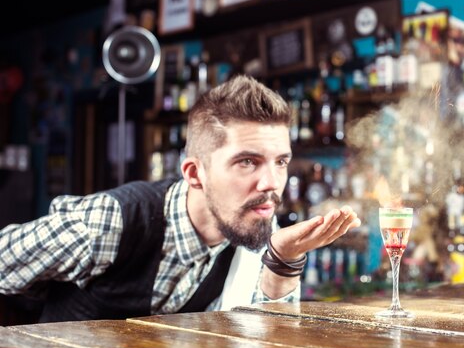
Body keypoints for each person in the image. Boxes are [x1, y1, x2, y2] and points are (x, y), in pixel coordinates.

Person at [0, 75, 361, 323]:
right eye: (247, 162)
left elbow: (265, 345)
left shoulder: (259, 230)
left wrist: (284, 260)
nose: (271, 183)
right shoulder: (111, 221)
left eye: (280, 161)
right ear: (194, 174)